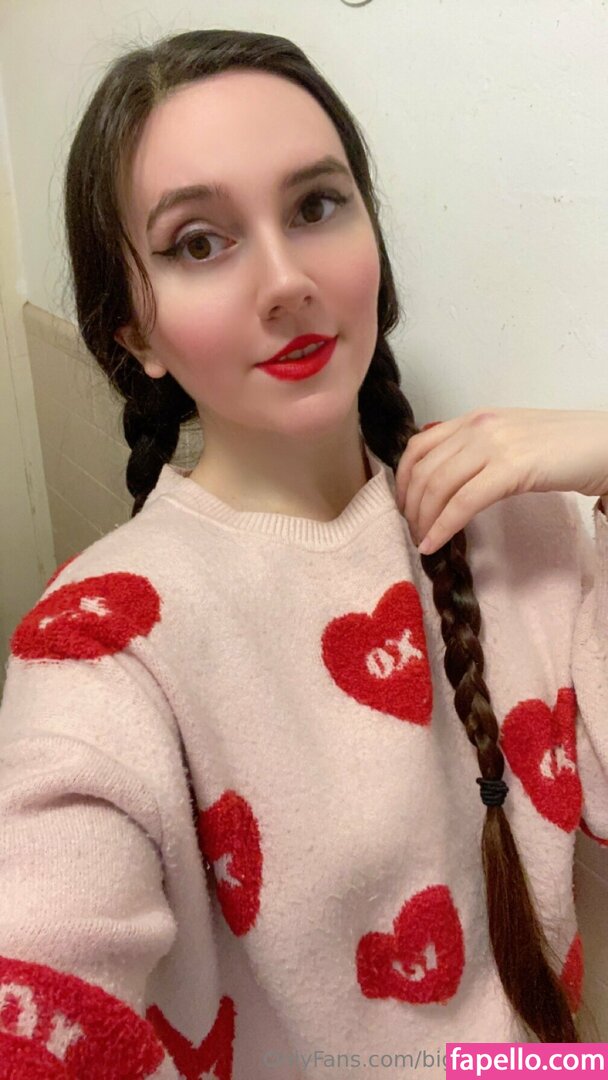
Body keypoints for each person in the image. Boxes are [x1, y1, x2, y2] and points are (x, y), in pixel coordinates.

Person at [1, 26, 608, 1079]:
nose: (285, 281)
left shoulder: (519, 522)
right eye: (199, 242)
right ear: (133, 333)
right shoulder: (103, 648)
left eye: (316, 206)